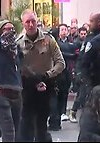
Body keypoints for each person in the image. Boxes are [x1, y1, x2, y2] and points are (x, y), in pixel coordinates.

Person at [17, 9, 65, 142]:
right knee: (26, 122)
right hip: (27, 87)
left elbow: (60, 63)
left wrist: (47, 75)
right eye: (28, 22)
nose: (31, 25)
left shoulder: (48, 40)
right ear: (23, 24)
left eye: (33, 21)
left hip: (46, 85)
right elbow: (17, 66)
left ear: (37, 21)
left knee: (41, 123)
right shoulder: (18, 43)